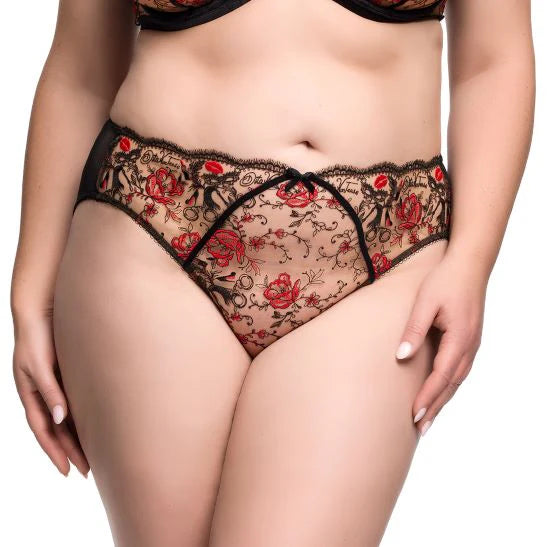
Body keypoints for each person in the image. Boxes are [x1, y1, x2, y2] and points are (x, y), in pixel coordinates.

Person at [11, 1, 535, 545]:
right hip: (155, 223)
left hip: (387, 252)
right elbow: (82, 71)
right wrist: (30, 293)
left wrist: (473, 259)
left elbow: (493, 61)